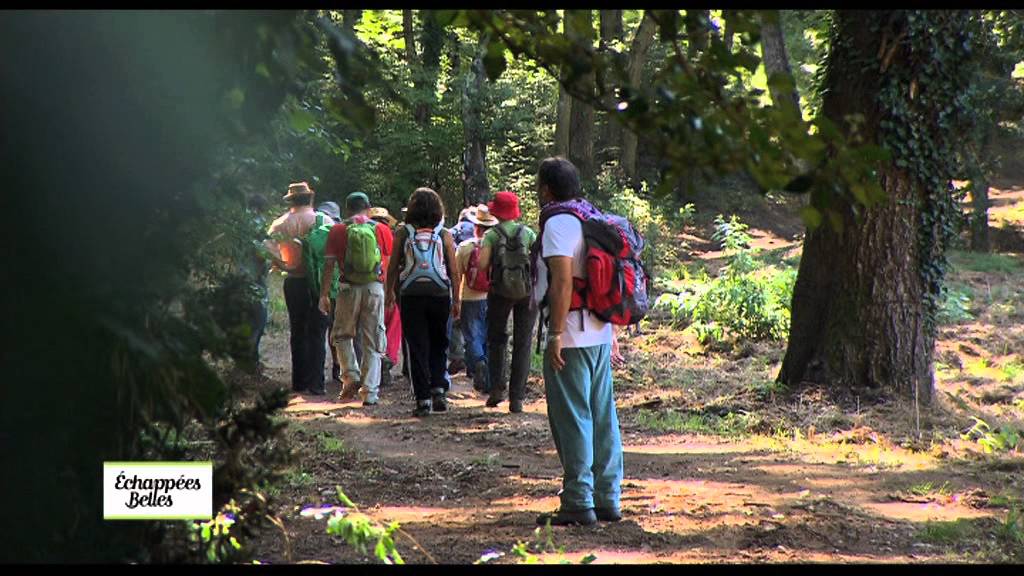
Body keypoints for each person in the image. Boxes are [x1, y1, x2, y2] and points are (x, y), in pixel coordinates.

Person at [533, 157, 622, 526]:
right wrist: (613, 334)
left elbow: (562, 283)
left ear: (547, 189)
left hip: (570, 333)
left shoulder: (558, 223)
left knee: (573, 417)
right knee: (603, 417)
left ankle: (577, 501)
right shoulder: (590, 217)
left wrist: (554, 335)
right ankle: (607, 498)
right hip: (599, 330)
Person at [385, 188, 461, 417]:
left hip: (411, 296)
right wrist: (456, 298)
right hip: (439, 294)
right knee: (440, 342)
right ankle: (439, 390)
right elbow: (454, 271)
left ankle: (422, 400)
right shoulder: (444, 234)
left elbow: (393, 266)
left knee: (417, 346)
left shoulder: (403, 232)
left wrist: (389, 291)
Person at [319, 192, 393, 406]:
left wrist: (324, 294)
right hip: (375, 288)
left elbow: (329, 266)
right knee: (373, 340)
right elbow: (386, 267)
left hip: (347, 288)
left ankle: (351, 376)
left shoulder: (338, 230)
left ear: (347, 209)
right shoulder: (382, 230)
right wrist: (388, 293)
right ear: (368, 208)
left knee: (341, 335)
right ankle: (370, 392)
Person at [268, 182, 334, 395]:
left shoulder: (279, 224)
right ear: (310, 198)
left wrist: (283, 266)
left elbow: (266, 250)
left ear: (290, 200)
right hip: (319, 283)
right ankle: (317, 383)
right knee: (318, 331)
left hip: (294, 281)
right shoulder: (324, 220)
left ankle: (299, 382)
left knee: (298, 330)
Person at [476, 191, 537, 413]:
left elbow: (482, 265)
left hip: (500, 291)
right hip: (526, 292)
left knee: (496, 339)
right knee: (523, 343)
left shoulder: (491, 235)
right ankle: (517, 398)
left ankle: (496, 391)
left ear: (496, 211)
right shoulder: (528, 233)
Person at [454, 204, 499, 393]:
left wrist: (455, 300)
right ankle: (489, 377)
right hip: (494, 297)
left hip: (470, 298)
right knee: (489, 335)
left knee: (472, 336)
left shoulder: (466, 247)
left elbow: (457, 275)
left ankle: (478, 362)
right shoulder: (498, 245)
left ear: (476, 227)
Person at [369, 206, 402, 388]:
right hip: (382, 284)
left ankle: (368, 368)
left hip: (358, 283)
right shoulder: (385, 231)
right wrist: (391, 289)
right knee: (392, 321)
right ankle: (387, 357)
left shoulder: (360, 228)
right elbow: (391, 262)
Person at [446, 206, 476, 376]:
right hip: (478, 287)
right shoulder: (481, 234)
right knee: (475, 325)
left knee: (455, 320)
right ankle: (474, 362)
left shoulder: (450, 233)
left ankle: (457, 355)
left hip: (456, 282)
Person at [317, 201, 344, 383]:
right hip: (341, 287)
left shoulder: (314, 234)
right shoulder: (340, 231)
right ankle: (340, 366)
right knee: (340, 328)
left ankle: (335, 363)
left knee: (328, 329)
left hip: (321, 286)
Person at [246, 194, 271, 373]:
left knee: (248, 320)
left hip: (240, 278)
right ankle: (250, 362)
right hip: (255, 279)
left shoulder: (239, 223)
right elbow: (260, 254)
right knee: (258, 320)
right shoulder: (257, 223)